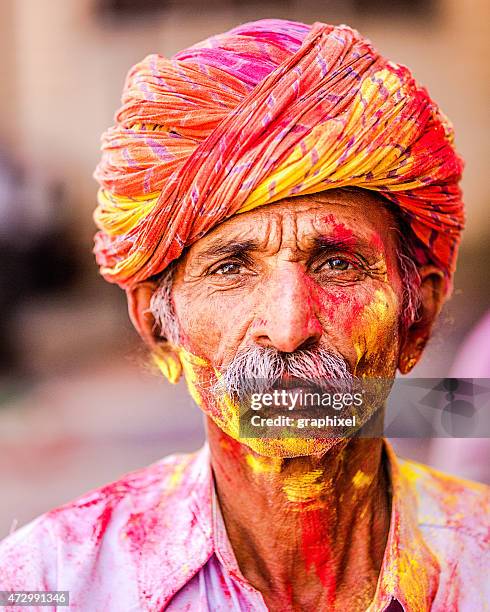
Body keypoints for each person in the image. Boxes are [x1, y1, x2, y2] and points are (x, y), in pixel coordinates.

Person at [1, 19, 488, 612]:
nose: (287, 329)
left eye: (336, 265)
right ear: (158, 327)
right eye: (232, 268)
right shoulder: (51, 582)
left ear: (419, 317)